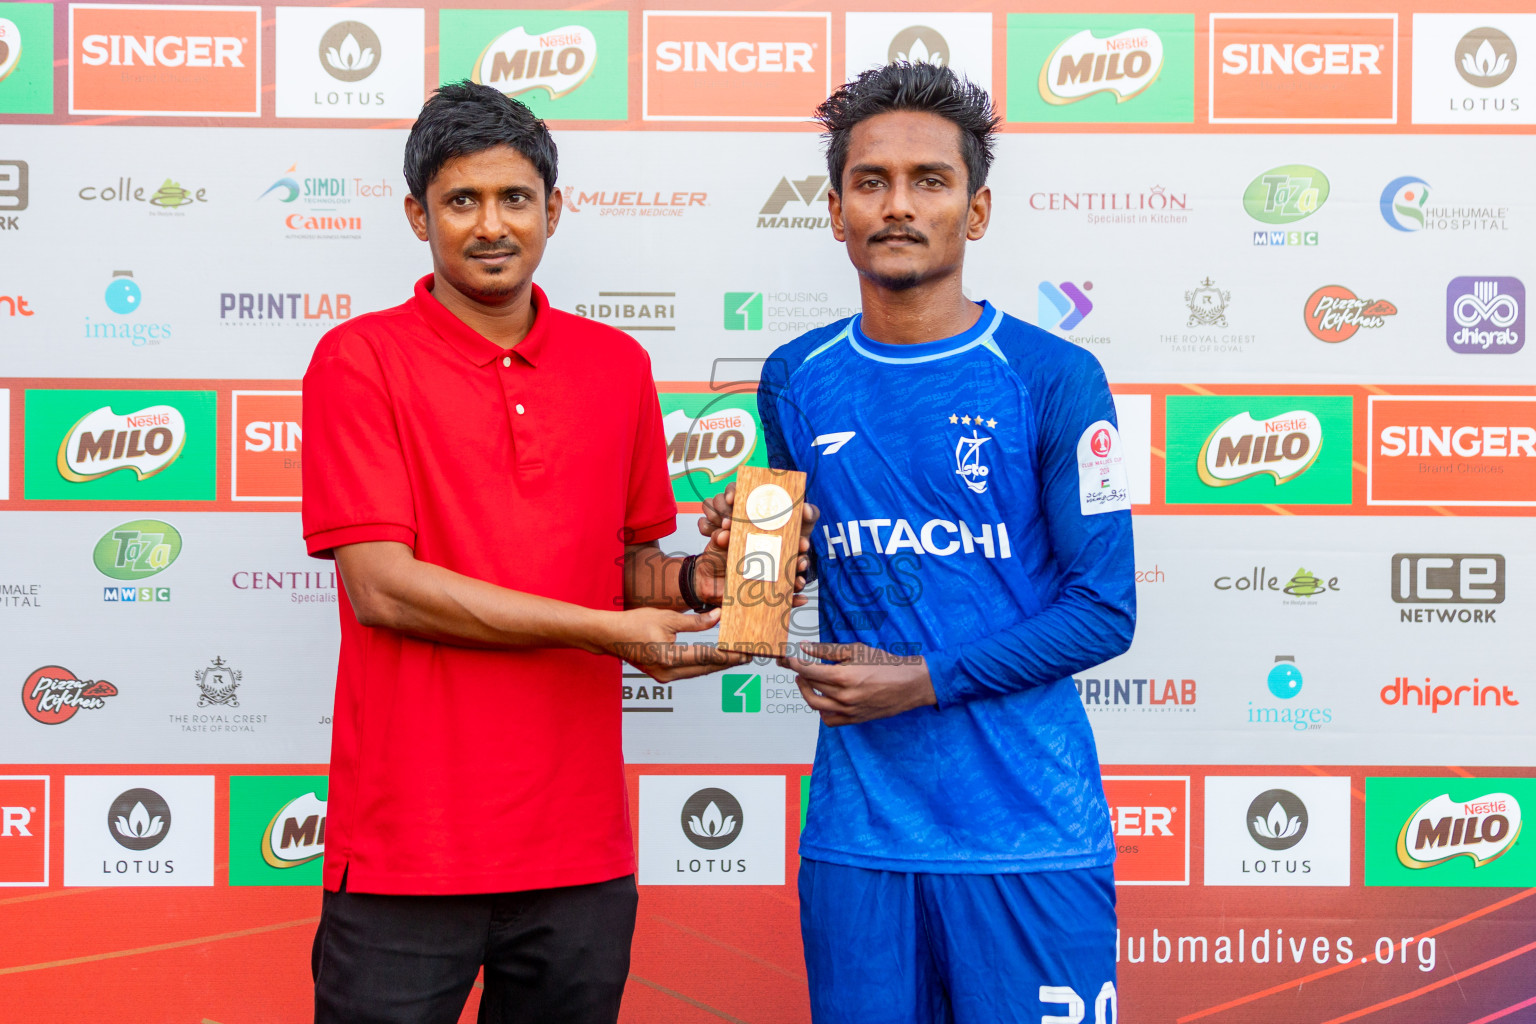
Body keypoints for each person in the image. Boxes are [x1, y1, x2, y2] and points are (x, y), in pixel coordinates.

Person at [300, 81, 810, 1024]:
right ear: (417, 216)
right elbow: (385, 590)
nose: (491, 226)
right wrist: (613, 633)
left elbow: (624, 568)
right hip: (408, 851)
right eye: (461, 201)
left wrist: (719, 576)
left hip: (578, 854)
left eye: (515, 199)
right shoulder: (359, 360)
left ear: (554, 210)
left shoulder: (616, 366)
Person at [715, 62, 1137, 1022]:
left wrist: (923, 679)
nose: (897, 205)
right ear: (835, 211)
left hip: (1029, 832)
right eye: (871, 181)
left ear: (975, 212)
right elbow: (773, 590)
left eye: (929, 181)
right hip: (860, 838)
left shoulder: (1058, 376)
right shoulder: (794, 376)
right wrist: (747, 561)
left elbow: (1106, 610)